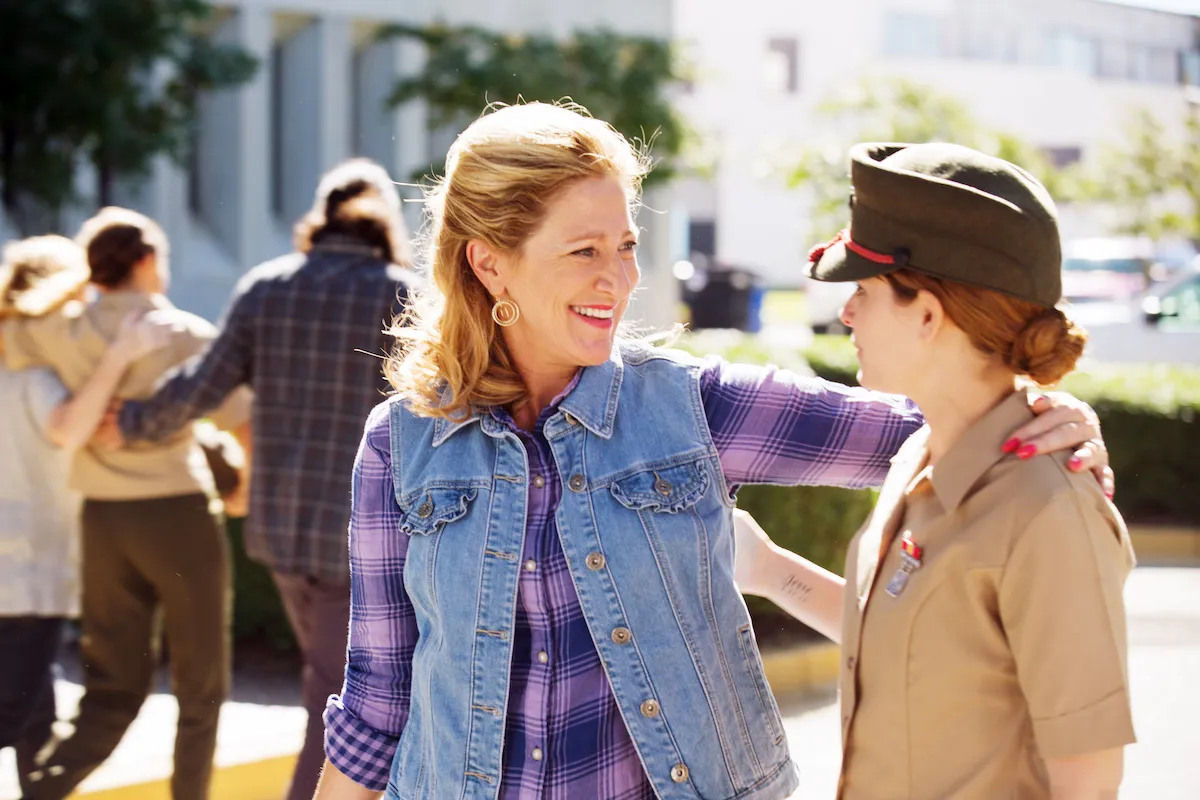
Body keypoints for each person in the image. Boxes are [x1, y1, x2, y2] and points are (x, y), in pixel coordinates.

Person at [314, 103, 1111, 800]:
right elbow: (377, 702)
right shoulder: (401, 446)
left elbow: (953, 419)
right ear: (489, 263)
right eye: (584, 251)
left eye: (625, 245)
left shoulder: (693, 407)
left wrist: (1047, 410)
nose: (619, 279)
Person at [733, 142, 1135, 799]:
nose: (846, 312)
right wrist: (767, 568)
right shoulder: (918, 457)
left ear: (927, 315)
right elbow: (909, 642)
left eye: (863, 290)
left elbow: (1087, 780)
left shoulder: (1049, 510)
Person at [106, 158, 419, 800]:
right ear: (385, 224)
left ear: (319, 217)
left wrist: (133, 421)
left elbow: (201, 386)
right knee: (339, 712)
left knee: (328, 691)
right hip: (360, 540)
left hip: (278, 537)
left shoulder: (265, 287)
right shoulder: (401, 296)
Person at [0, 208, 252, 800]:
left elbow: (8, 327)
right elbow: (244, 417)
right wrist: (241, 490)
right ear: (145, 262)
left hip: (103, 522)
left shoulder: (59, 331)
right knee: (201, 687)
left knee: (110, 686)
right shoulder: (183, 331)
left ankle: (42, 790)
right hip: (177, 516)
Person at [0, 235, 173, 796]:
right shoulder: (32, 376)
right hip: (23, 579)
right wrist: (121, 355)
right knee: (14, 714)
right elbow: (71, 427)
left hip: (24, 574)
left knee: (37, 717)